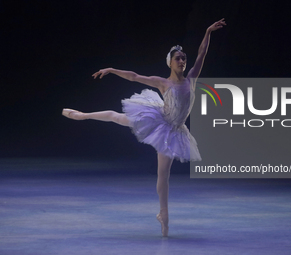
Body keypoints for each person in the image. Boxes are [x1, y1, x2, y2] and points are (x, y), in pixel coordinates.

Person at [62, 18, 226, 237]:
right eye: (178, 58)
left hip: (175, 131)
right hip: (159, 122)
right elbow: (134, 76)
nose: (182, 61)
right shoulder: (162, 83)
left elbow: (202, 54)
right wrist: (112, 69)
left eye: (183, 58)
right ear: (170, 62)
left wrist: (207, 32)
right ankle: (82, 115)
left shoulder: (191, 80)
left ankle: (163, 215)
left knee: (163, 175)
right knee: (118, 117)